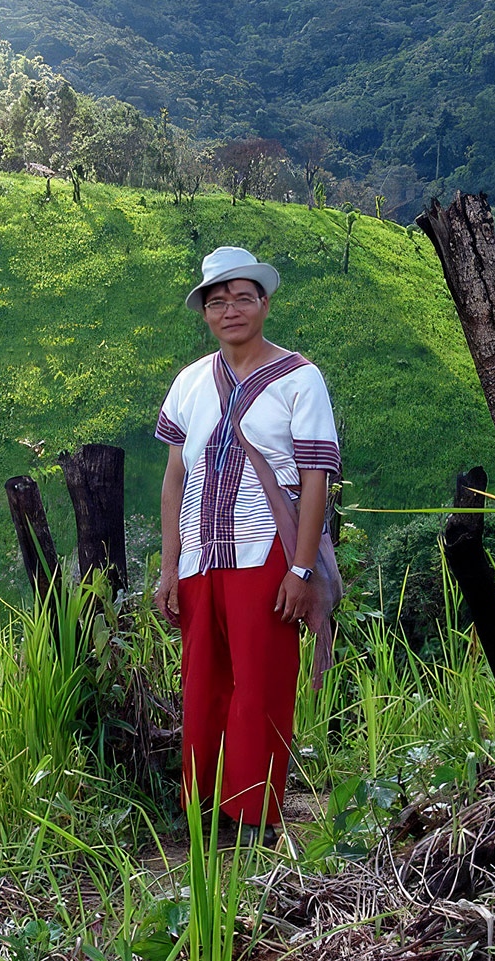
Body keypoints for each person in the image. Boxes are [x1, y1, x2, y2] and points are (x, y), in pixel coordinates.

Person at [152, 245, 340, 844]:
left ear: (263, 303)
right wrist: (167, 567)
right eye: (217, 301)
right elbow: (176, 474)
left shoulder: (299, 379)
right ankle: (202, 811)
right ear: (204, 312)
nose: (229, 309)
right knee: (202, 682)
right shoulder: (189, 382)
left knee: (261, 683)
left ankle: (253, 817)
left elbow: (315, 477)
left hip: (267, 553)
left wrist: (302, 570)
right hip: (199, 555)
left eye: (241, 297)